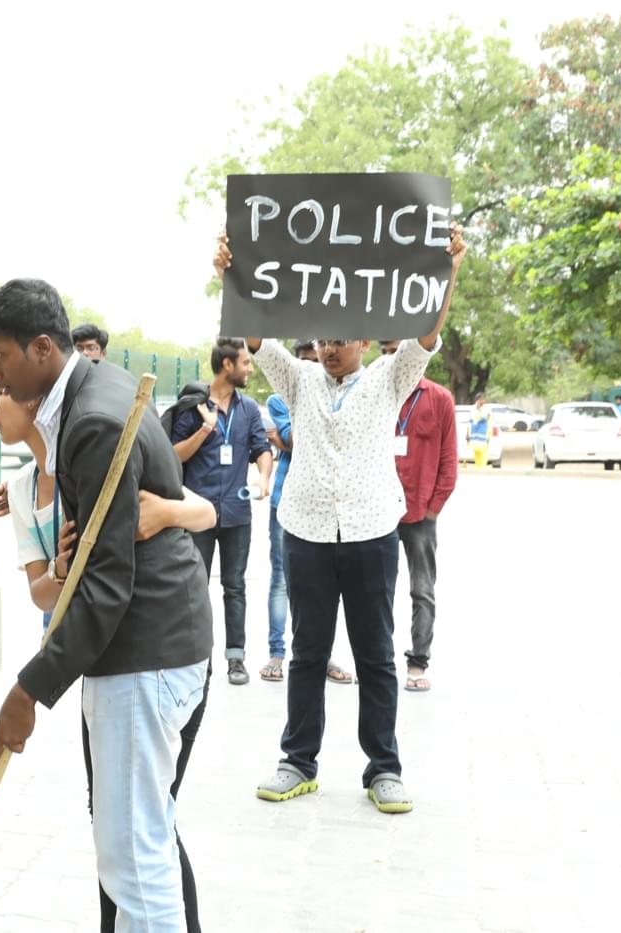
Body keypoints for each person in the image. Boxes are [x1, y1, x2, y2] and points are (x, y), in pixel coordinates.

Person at [0, 278, 212, 930]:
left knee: (135, 861)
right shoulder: (92, 398)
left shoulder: (95, 422)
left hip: (145, 653)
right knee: (136, 848)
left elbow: (106, 583)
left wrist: (30, 688)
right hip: (149, 649)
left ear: (43, 347)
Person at [216, 223, 467, 815]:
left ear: (363, 339)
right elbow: (256, 337)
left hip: (371, 534)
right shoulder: (298, 379)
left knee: (377, 654)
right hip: (304, 531)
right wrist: (233, 270)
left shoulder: (389, 378)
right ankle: (297, 762)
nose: (329, 348)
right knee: (307, 651)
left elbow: (427, 336)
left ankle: (383, 768)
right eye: (323, 339)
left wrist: (449, 269)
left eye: (342, 339)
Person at [169, 337, 272, 686]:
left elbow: (262, 447)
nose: (250, 368)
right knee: (195, 587)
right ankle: (199, 658)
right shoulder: (192, 406)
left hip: (237, 513)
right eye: (246, 362)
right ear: (227, 365)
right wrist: (206, 428)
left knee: (235, 586)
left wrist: (264, 477)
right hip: (198, 514)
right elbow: (174, 455)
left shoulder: (248, 409)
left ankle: (236, 659)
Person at [262, 341, 354, 687]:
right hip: (287, 502)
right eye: (301, 364)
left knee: (326, 590)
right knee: (282, 581)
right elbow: (291, 437)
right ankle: (276, 652)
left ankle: (323, 654)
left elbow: (291, 438)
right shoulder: (279, 398)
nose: (309, 370)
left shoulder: (339, 389)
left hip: (329, 510)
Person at [379, 340, 457, 693]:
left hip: (420, 514)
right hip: (379, 512)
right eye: (385, 351)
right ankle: (378, 660)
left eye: (396, 350)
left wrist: (432, 508)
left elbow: (449, 462)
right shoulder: (375, 394)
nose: (390, 358)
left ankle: (417, 662)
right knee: (374, 590)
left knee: (422, 590)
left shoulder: (439, 399)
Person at [467, 391, 491, 468]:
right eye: (481, 399)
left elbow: (485, 418)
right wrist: (468, 433)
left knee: (483, 450)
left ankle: (482, 466)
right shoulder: (472, 408)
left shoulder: (486, 409)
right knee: (476, 450)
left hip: (483, 432)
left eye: (483, 399)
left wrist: (480, 409)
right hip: (474, 433)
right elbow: (470, 421)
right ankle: (478, 467)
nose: (483, 401)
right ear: (477, 400)